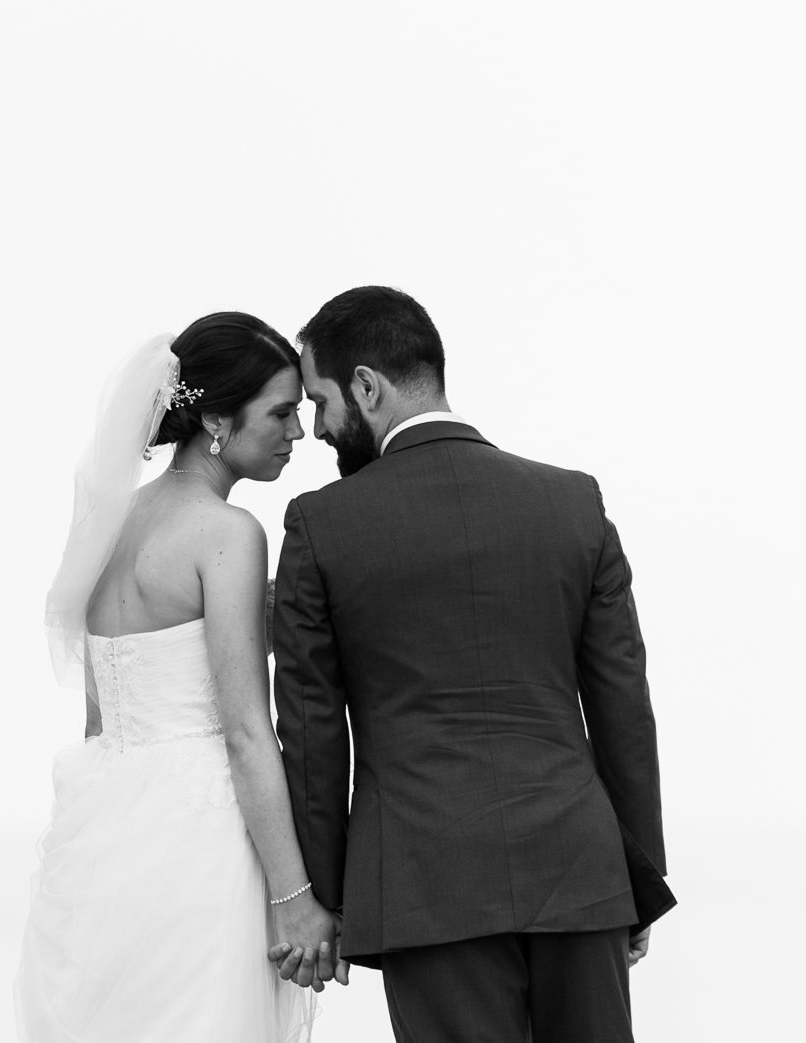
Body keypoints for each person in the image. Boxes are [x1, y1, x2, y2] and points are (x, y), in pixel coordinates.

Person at [271, 286, 673, 1043]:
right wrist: (638, 878)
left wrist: (325, 896)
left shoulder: (322, 526)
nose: (319, 427)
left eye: (322, 400)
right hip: (580, 873)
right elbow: (624, 705)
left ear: (368, 385)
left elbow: (314, 734)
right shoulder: (572, 503)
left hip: (428, 885)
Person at [16, 312, 331, 1043]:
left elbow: (99, 717)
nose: (299, 433)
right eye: (282, 413)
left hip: (104, 827)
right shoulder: (226, 534)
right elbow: (249, 731)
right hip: (203, 834)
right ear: (217, 420)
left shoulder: (109, 521)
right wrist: (293, 894)